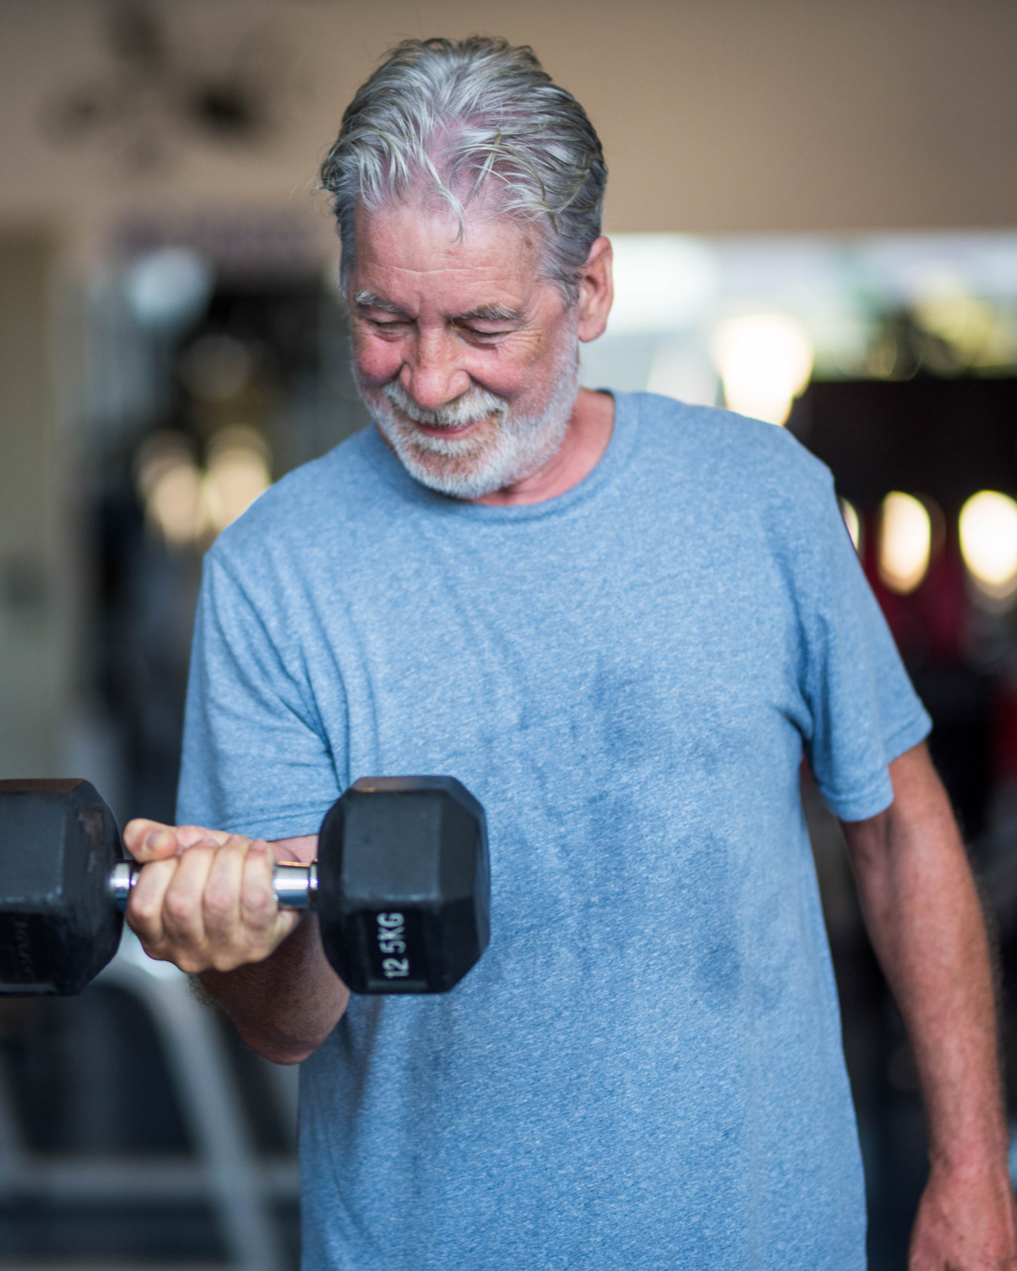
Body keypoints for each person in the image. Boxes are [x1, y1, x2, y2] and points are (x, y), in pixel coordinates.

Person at [122, 36, 1017, 1270]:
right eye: (384, 317)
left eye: (484, 323)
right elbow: (291, 1022)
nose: (429, 379)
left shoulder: (759, 499)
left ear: (589, 290)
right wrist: (234, 947)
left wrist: (973, 1172)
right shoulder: (276, 571)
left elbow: (899, 827)